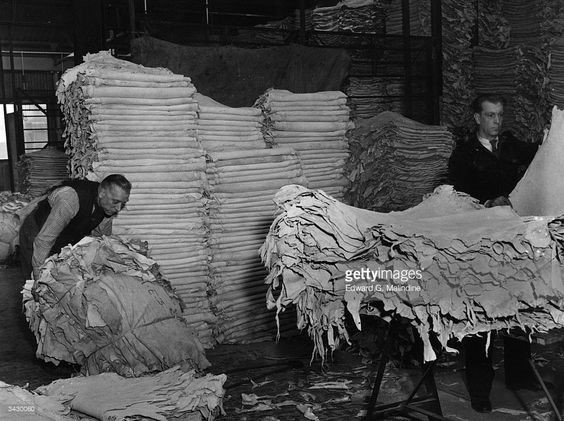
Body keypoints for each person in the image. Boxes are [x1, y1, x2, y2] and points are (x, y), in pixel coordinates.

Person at [448, 94, 539, 413]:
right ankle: (479, 388)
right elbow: (456, 201)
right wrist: (487, 205)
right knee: (481, 315)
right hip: (479, 244)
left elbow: (544, 154)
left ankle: (520, 375)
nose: (497, 121)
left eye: (500, 115)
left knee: (519, 307)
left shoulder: (512, 147)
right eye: (490, 115)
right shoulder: (463, 155)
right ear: (477, 118)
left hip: (514, 240)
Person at [19, 174, 131, 280]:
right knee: (35, 282)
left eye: (123, 203)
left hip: (64, 237)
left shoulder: (107, 206)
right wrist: (38, 275)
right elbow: (45, 239)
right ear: (102, 193)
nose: (118, 208)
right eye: (116, 202)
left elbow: (101, 239)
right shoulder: (70, 198)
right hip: (37, 232)